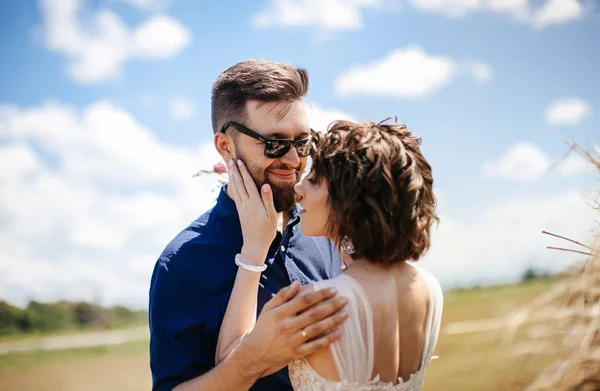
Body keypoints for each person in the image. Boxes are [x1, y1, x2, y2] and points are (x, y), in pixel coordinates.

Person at [149, 59, 345, 391]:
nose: (295, 160)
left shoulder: (325, 235)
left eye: (303, 143)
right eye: (275, 143)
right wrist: (252, 359)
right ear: (226, 146)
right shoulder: (182, 262)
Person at [221, 119, 444, 390]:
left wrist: (254, 251)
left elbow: (233, 362)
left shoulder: (318, 305)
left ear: (346, 199)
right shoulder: (430, 289)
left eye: (314, 180)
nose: (299, 189)